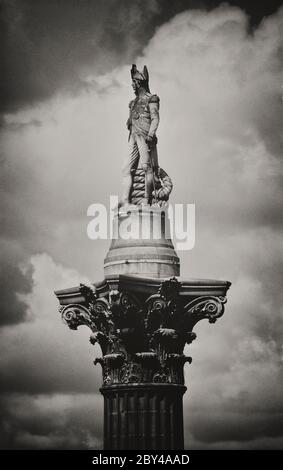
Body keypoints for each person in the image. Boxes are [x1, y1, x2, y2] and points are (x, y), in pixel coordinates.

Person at [122, 64, 160, 206]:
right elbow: (129, 121)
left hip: (145, 136)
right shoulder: (132, 103)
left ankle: (146, 199)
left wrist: (151, 134)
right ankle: (125, 200)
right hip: (133, 136)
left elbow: (155, 118)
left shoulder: (152, 98)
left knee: (146, 168)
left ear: (139, 83)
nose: (132, 85)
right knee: (126, 168)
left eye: (134, 82)